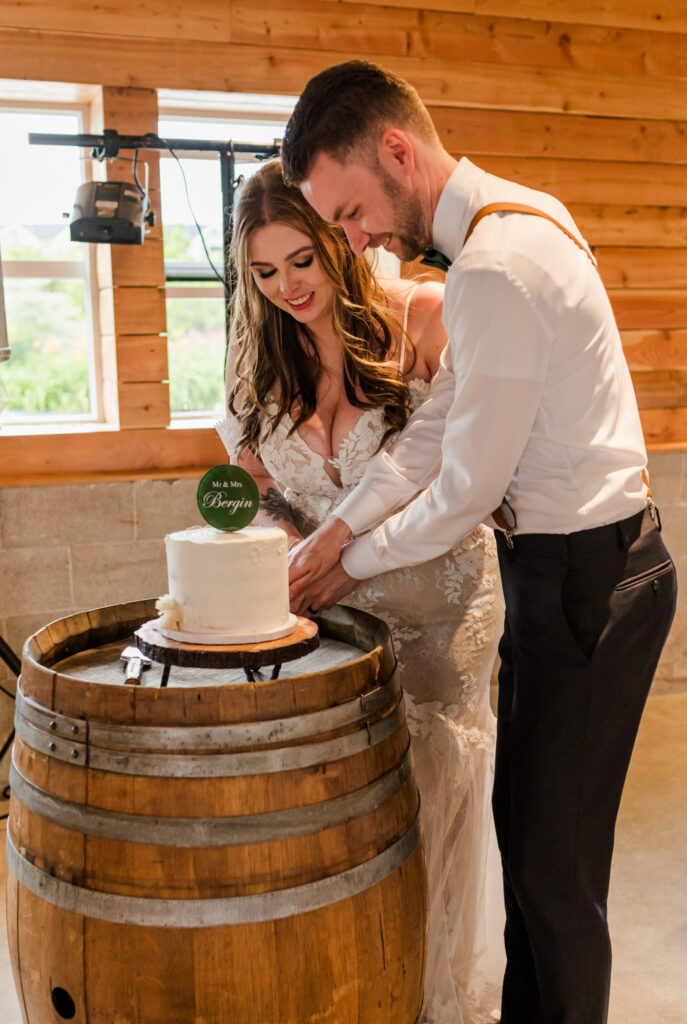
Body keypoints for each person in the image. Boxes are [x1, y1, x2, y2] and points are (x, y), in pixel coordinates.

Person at [281, 61, 678, 1024]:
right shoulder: (507, 222)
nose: (353, 240)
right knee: (525, 834)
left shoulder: (498, 264)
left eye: (346, 213)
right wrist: (339, 523)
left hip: (592, 578)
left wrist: (348, 565)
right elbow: (438, 424)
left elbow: (465, 491)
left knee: (554, 872)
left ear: (395, 152)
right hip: (560, 566)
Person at [215, 159, 505, 1024]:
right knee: (350, 821)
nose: (285, 288)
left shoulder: (422, 317)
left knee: (438, 806)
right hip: (332, 622)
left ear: (335, 241)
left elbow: (462, 473)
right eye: (263, 273)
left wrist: (343, 545)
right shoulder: (255, 351)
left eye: (299, 260)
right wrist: (278, 541)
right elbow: (256, 484)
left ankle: (439, 999)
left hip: (439, 607)